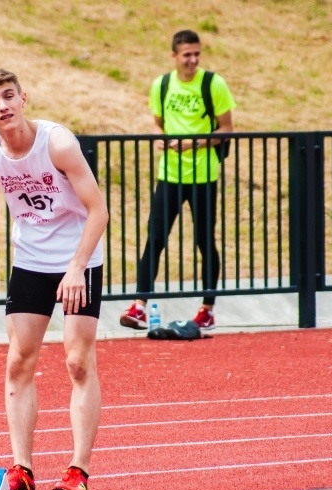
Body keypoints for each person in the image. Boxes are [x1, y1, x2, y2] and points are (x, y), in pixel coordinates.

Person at [0, 69, 108, 490]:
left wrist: (77, 266)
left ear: (24, 99)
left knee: (77, 361)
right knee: (18, 362)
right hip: (32, 260)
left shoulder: (57, 143)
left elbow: (98, 210)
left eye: (8, 97)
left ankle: (79, 469)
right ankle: (22, 468)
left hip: (80, 258)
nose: (2, 106)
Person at [118, 29, 236, 334]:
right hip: (169, 174)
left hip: (203, 174)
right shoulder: (162, 84)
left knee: (203, 240)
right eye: (187, 55)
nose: (193, 60)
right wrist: (160, 140)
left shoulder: (213, 84)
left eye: (197, 54)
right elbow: (159, 124)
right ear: (174, 56)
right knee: (154, 238)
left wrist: (193, 144)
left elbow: (226, 129)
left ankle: (207, 309)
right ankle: (140, 306)